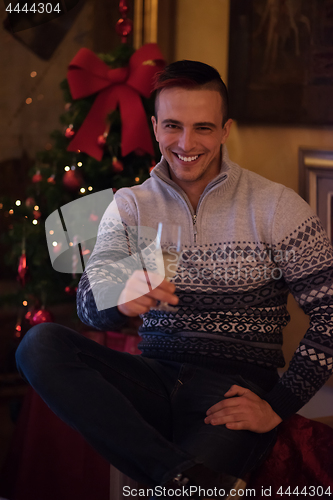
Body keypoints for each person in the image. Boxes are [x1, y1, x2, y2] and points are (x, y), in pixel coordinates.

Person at [16, 60, 333, 499]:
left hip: (231, 389)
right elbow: (89, 303)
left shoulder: (276, 206)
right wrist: (118, 298)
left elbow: (330, 311)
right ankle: (182, 476)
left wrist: (277, 406)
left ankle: (179, 479)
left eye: (203, 127)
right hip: (152, 376)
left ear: (225, 130)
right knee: (38, 344)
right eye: (172, 126)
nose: (186, 143)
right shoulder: (131, 205)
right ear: (154, 127)